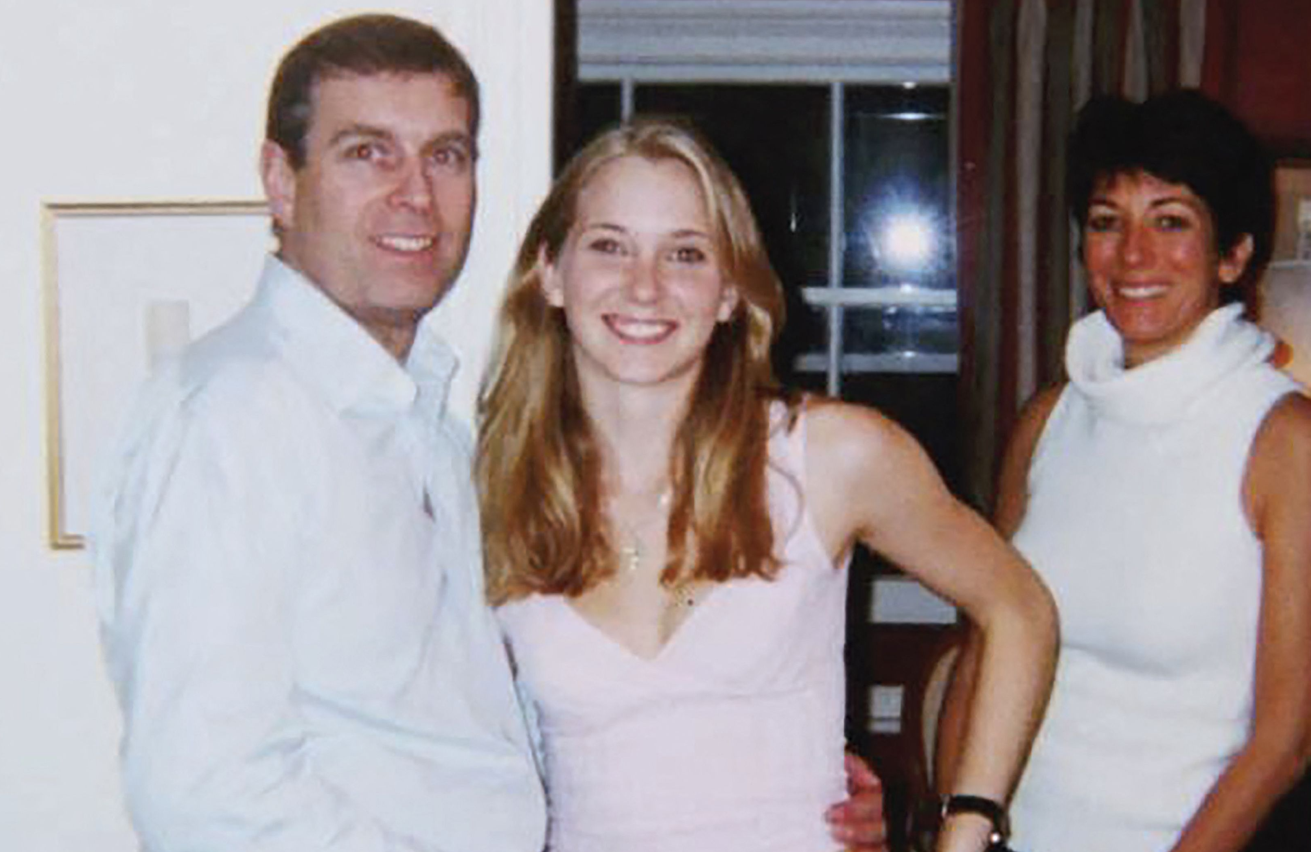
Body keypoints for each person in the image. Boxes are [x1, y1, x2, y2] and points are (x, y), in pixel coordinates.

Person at [91, 14, 889, 852]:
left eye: (445, 155)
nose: (414, 195)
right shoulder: (231, 417)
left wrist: (751, 771)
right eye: (367, 152)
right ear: (280, 181)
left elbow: (477, 736)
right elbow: (205, 795)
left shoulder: (434, 429)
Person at [476, 118, 1058, 852]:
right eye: (608, 246)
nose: (644, 286)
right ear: (550, 274)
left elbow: (1018, 608)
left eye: (685, 254)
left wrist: (966, 823)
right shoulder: (490, 490)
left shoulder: (828, 456)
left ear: (727, 292)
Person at [937, 90, 1311, 852]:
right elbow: (982, 654)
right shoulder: (1046, 421)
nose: (1132, 255)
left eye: (1170, 221)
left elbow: (1284, 738)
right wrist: (953, 829)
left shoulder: (1284, 442)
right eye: (1107, 223)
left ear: (1233, 255)